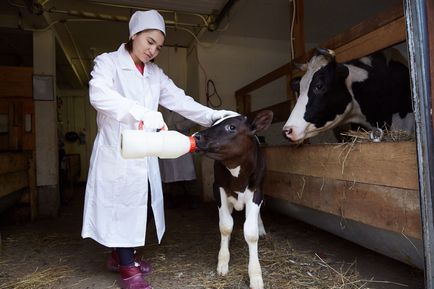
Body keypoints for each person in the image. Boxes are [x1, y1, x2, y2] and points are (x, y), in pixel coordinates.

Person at [81, 9, 237, 289]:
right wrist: (141, 113)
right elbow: (99, 94)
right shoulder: (108, 63)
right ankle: (128, 270)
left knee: (137, 206)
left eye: (158, 46)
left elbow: (180, 100)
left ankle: (119, 257)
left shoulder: (155, 74)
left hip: (145, 150)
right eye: (149, 41)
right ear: (134, 34)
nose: (153, 50)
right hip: (116, 151)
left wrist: (214, 116)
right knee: (121, 205)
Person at [159, 109, 199, 209]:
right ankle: (175, 198)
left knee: (186, 173)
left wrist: (178, 126)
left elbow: (193, 120)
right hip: (166, 145)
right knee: (171, 174)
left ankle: (190, 198)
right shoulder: (161, 109)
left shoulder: (182, 107)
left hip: (182, 142)